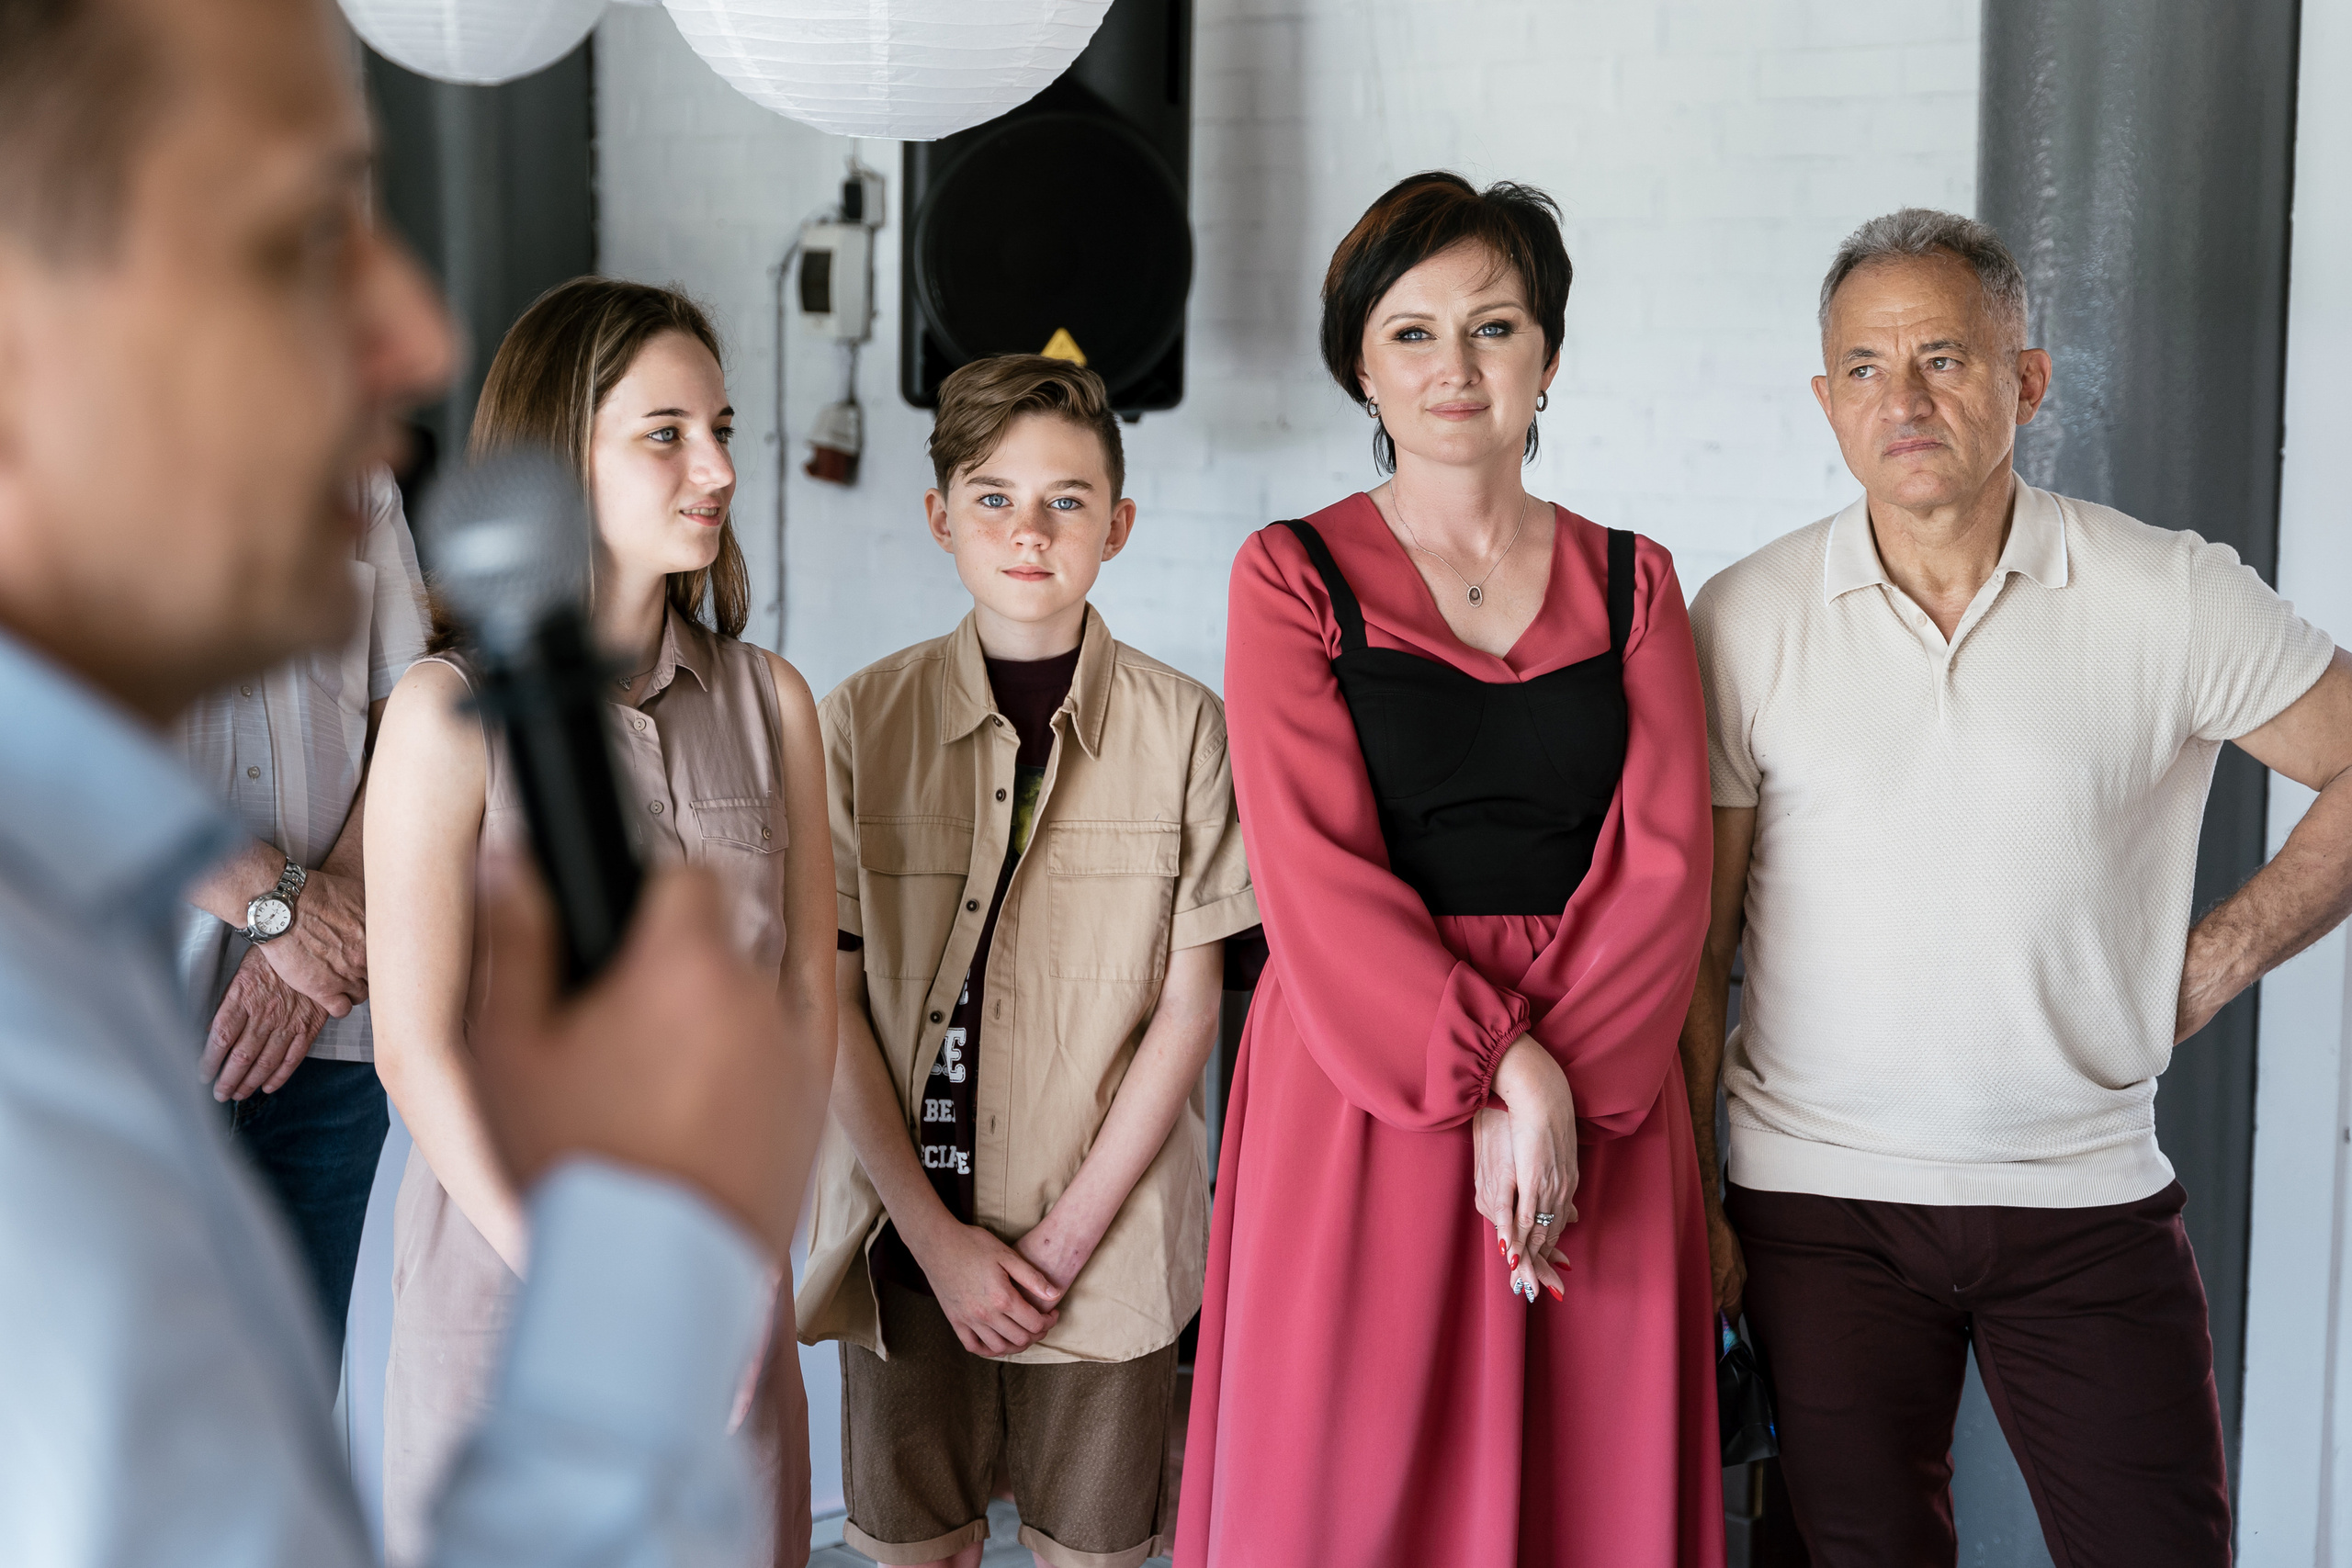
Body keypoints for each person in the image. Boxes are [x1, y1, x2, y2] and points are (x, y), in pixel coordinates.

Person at [0, 0, 818, 1562]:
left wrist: (324, 942)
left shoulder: (361, 469)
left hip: (323, 1023)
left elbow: (394, 714)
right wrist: (268, 904)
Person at [1683, 208, 2352, 1566]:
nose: (1903, 398)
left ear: (2027, 379)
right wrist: (1698, 1195)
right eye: (1864, 368)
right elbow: (1700, 946)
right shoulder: (1745, 615)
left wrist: (2217, 956)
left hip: (2083, 1191)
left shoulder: (2168, 593)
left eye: (1945, 356)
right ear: (1825, 399)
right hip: (1821, 1205)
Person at [1178, 173, 1720, 1567]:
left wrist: (1552, 1079)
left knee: (1587, 1503)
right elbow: (1310, 869)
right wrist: (1496, 1069)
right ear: (1359, 358)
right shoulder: (1287, 573)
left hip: (1602, 1092)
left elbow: (1664, 863)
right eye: (1411, 332)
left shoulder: (1637, 581)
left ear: (1547, 354)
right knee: (1342, 1499)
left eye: (1493, 326)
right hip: (1365, 1091)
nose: (1455, 365)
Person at [368, 277, 836, 1568]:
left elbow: (805, 1002)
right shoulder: (443, 710)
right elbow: (417, 1048)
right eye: (668, 432)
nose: (720, 467)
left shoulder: (776, 703)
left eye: (723, 427)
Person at [797, 355, 1256, 1568]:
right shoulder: (854, 722)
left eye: (1067, 497)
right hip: (907, 1243)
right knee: (909, 1548)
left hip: (1103, 1258)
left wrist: (1061, 1242)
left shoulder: (1186, 726)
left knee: (1095, 1553)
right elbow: (827, 995)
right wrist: (939, 1238)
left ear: (1119, 521)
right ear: (941, 515)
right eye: (993, 496)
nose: (1029, 529)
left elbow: (1189, 1006)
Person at [173, 464, 426, 1351]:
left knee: (287, 1423)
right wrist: (275, 907)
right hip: (125, 1028)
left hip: (326, 1043)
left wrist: (322, 926)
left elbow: (412, 711)